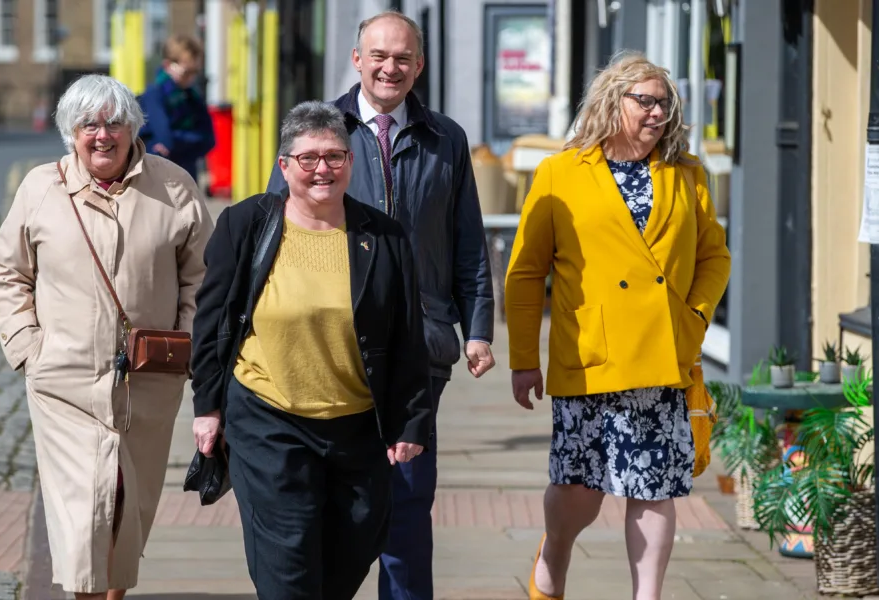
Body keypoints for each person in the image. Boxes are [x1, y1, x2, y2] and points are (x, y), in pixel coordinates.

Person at [266, 13, 496, 599]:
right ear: (357, 59)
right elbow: (274, 234)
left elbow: (466, 238)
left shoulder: (446, 137)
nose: (390, 68)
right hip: (330, 344)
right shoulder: (318, 128)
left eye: (402, 58)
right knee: (334, 502)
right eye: (379, 56)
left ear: (418, 66)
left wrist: (478, 326)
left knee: (408, 501)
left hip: (418, 345)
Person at [505, 52, 731, 600]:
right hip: (590, 355)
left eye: (665, 104)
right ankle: (554, 554)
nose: (658, 113)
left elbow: (714, 258)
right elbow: (526, 271)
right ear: (613, 101)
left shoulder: (687, 173)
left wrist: (694, 317)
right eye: (646, 101)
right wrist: (522, 359)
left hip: (662, 356)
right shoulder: (561, 172)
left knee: (654, 488)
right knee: (579, 490)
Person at [191, 100, 433, 599]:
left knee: (353, 549)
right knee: (288, 563)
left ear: (350, 162)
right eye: (308, 158)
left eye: (335, 157)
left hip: (358, 424)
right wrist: (207, 408)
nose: (322, 169)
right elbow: (212, 321)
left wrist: (411, 421)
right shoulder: (245, 225)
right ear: (285, 166)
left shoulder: (382, 237)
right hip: (269, 420)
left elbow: (407, 336)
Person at [0, 74, 213, 600]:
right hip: (62, 381)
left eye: (113, 122)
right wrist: (27, 345)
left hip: (149, 381)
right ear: (71, 132)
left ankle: (114, 591)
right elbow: (7, 270)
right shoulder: (41, 187)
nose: (102, 135)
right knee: (83, 509)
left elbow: (204, 277)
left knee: (129, 502)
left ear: (132, 127)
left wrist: (185, 342)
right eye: (88, 124)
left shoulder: (174, 184)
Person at [137, 34, 215, 182]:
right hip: (158, 177)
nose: (191, 78)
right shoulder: (154, 95)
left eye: (195, 72)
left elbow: (209, 140)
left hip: (187, 174)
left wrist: (175, 141)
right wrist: (190, 141)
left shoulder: (193, 97)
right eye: (186, 72)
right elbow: (165, 139)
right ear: (167, 65)